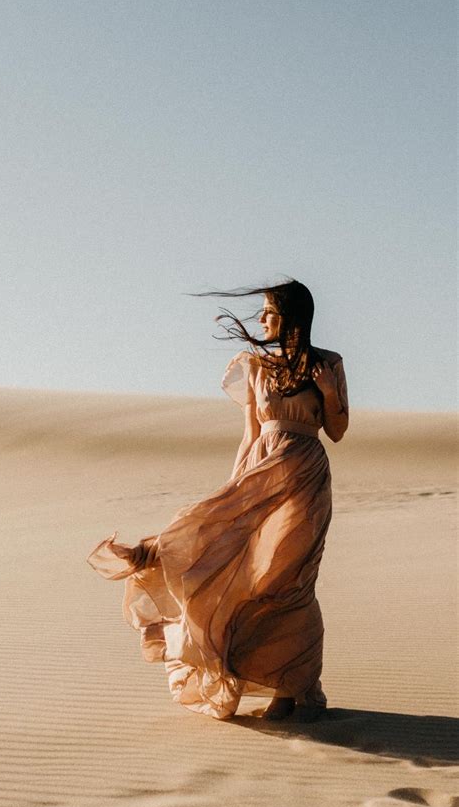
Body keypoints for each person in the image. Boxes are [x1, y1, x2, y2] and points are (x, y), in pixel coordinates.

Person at [87, 278, 349, 721]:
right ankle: (263, 676)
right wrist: (232, 494)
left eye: (269, 311)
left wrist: (327, 392)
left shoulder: (329, 363)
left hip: (305, 479)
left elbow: (338, 431)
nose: (262, 319)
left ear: (291, 316)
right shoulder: (256, 365)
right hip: (259, 476)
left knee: (290, 580)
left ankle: (290, 688)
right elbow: (250, 434)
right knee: (247, 573)